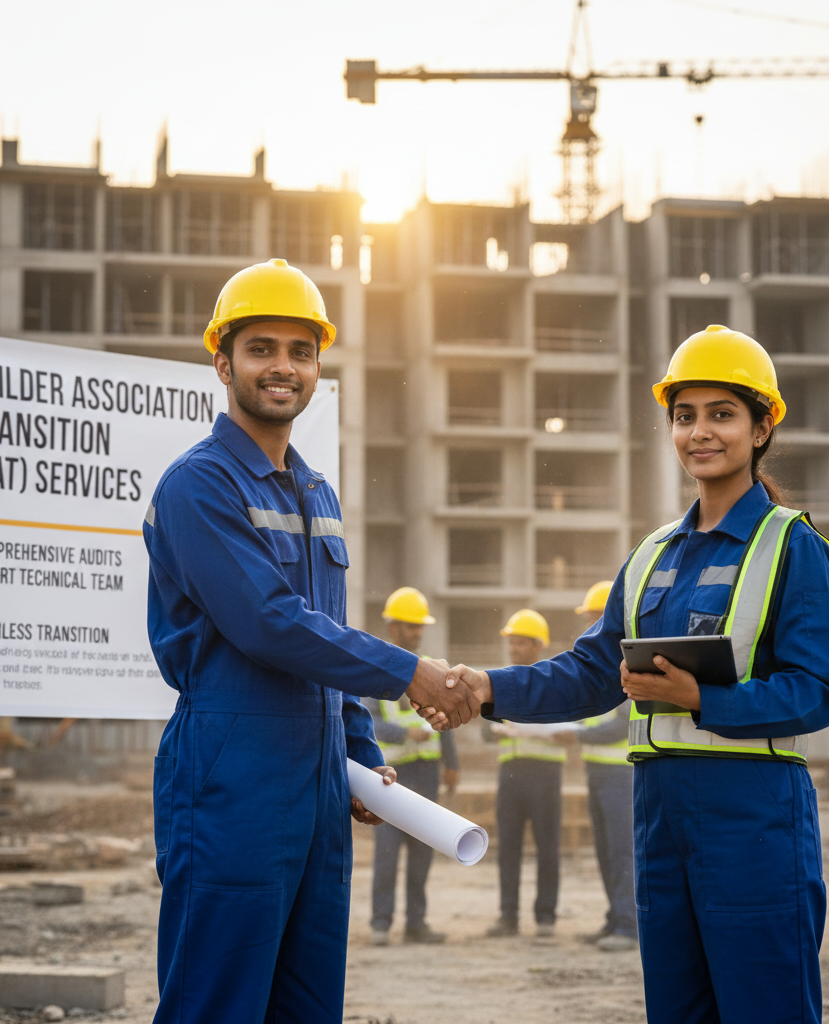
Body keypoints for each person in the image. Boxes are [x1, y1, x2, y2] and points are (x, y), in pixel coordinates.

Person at [422, 325, 829, 1024]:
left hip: (753, 814)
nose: (699, 433)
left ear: (763, 425)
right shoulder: (652, 555)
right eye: (685, 416)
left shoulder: (792, 546)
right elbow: (591, 671)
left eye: (721, 414)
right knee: (676, 1011)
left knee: (763, 1007)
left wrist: (699, 699)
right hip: (660, 812)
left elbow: (817, 691)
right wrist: (489, 687)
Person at [144, 259, 479, 1024]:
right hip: (233, 778)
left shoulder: (316, 491)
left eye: (301, 351)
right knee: (216, 1006)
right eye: (261, 348)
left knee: (308, 1007)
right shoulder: (198, 485)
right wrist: (408, 673)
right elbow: (269, 622)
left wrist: (357, 749)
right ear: (223, 362)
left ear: (318, 366)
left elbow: (323, 627)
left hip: (318, 791)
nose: (282, 367)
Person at [364, 587, 459, 946]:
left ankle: (416, 923)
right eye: (409, 626)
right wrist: (406, 732)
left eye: (419, 626)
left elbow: (447, 719)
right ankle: (380, 922)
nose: (416, 632)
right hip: (391, 777)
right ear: (392, 627)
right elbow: (368, 721)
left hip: (427, 773)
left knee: (422, 851)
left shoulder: (433, 669)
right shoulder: (376, 671)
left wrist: (452, 765)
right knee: (387, 852)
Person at [552, 581, 637, 953]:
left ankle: (629, 926)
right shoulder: (602, 669)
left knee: (621, 852)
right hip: (599, 774)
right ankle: (614, 919)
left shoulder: (628, 666)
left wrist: (578, 738)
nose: (590, 628)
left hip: (621, 774)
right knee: (606, 850)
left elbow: (620, 725)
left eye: (593, 619)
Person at [482, 609, 564, 940]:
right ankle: (508, 916)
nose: (514, 649)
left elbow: (568, 725)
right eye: (512, 643)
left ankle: (545, 916)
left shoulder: (555, 681)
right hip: (511, 774)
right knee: (508, 848)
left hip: (545, 773)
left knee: (548, 847)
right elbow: (487, 731)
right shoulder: (502, 681)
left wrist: (525, 728)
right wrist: (501, 731)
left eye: (521, 643)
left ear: (537, 646)